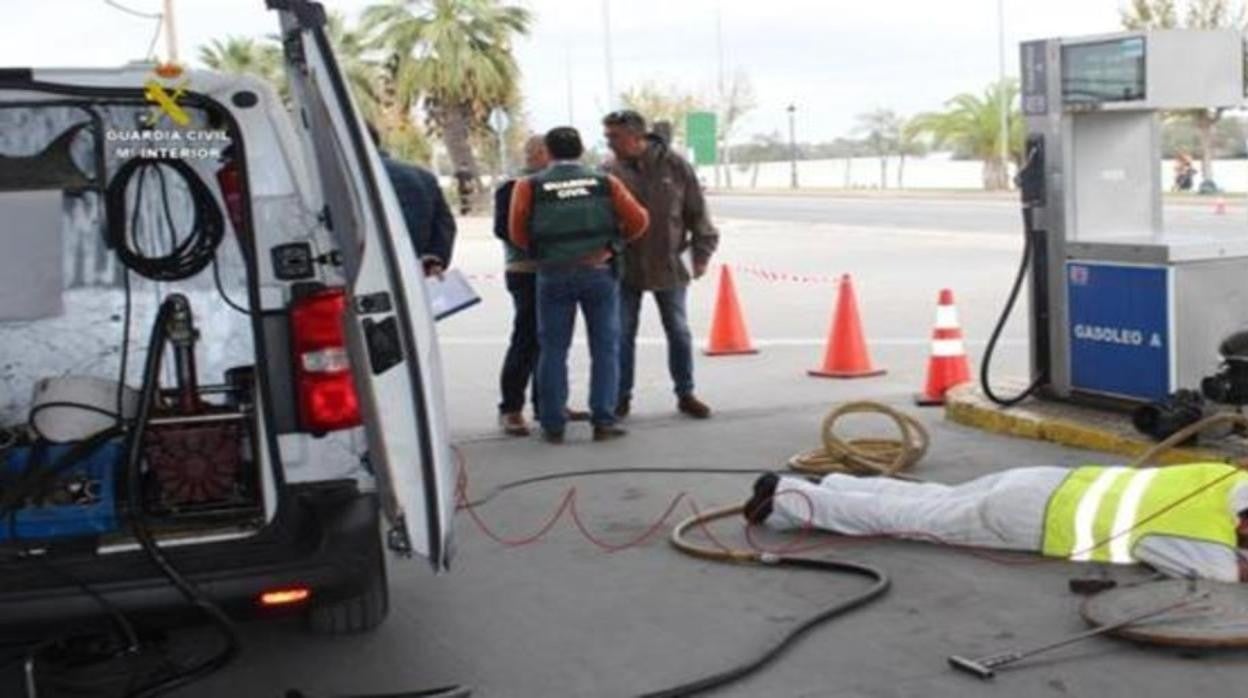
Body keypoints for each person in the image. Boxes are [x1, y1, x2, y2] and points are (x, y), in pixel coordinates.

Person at [743, 462, 1248, 582]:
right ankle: (787, 500)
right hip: (1031, 518)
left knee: (932, 499)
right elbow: (1225, 573)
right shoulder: (1202, 539)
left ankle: (830, 484)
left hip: (1043, 479)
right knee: (910, 518)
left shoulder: (1224, 476)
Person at [509, 127, 649, 443]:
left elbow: (517, 232)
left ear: (549, 151)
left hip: (552, 274)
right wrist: (611, 247)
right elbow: (640, 220)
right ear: (581, 149)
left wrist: (546, 252)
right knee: (605, 348)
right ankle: (603, 420)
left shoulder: (529, 185)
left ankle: (553, 424)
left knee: (553, 349)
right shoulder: (605, 182)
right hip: (598, 272)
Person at [603, 110, 718, 420]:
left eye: (614, 136)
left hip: (670, 265)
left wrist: (701, 255)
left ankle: (685, 393)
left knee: (678, 331)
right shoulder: (608, 170)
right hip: (625, 268)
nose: (609, 142)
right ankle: (620, 398)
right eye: (607, 136)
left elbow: (698, 213)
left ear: (636, 136)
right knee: (622, 334)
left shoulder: (675, 165)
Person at [493, 136, 590, 436]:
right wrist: (549, 244)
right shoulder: (513, 186)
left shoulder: (556, 184)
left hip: (557, 268)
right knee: (526, 339)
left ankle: (549, 403)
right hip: (526, 270)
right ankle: (510, 408)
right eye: (552, 152)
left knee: (553, 340)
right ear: (538, 153)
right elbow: (504, 229)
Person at [367, 123, 456, 275]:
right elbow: (445, 223)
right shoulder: (424, 177)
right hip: (415, 272)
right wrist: (435, 257)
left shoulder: (349, 176)